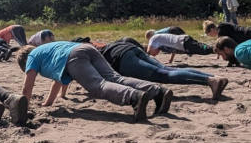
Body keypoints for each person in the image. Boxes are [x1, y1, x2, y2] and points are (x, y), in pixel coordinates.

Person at [16, 41, 170, 122]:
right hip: (86, 48)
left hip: (74, 56)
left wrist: (24, 110)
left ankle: (134, 97)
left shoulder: (31, 57)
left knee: (98, 86)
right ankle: (157, 91)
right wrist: (48, 103)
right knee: (115, 78)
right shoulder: (45, 50)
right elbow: (58, 81)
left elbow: (27, 88)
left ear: (24, 62)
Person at [101, 37, 228, 100]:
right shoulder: (102, 45)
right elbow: (127, 39)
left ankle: (210, 81)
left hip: (122, 59)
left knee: (163, 75)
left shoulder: (90, 53)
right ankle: (213, 77)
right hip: (129, 48)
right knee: (167, 69)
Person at [145, 29, 213, 64]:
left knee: (204, 49)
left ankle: (217, 48)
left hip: (184, 42)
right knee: (202, 49)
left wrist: (147, 60)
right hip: (184, 41)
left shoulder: (153, 39)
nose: (155, 55)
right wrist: (170, 60)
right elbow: (173, 49)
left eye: (154, 54)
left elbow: (148, 52)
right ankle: (215, 48)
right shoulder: (160, 42)